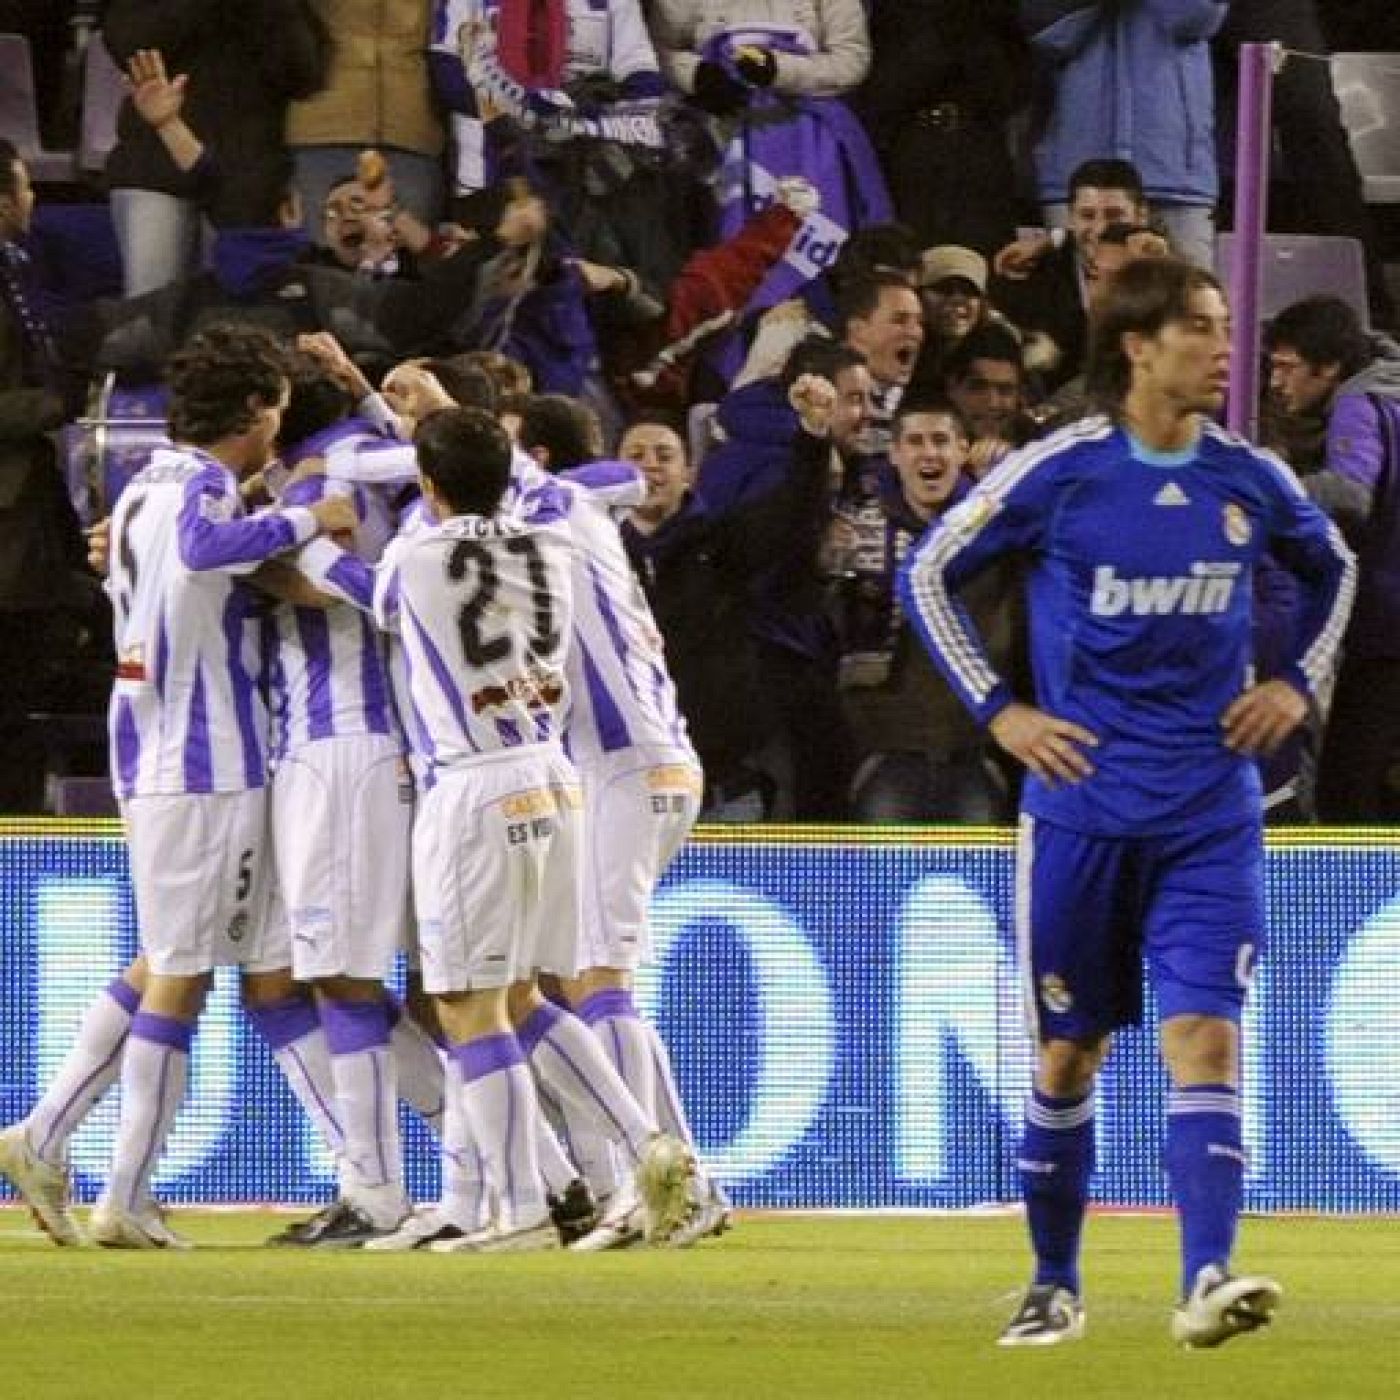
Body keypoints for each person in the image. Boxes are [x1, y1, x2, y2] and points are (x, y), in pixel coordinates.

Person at [900, 257, 1356, 1346]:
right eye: (1198, 325)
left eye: (1221, 322)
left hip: (1209, 809)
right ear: (1136, 346)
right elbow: (928, 571)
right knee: (1069, 1052)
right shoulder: (1063, 471)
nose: (1221, 344)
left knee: (1205, 1035)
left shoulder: (1245, 475)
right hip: (1079, 813)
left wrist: (1294, 680)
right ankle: (1052, 1279)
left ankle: (1206, 1275)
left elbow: (1332, 564)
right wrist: (998, 710)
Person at [90, 323, 357, 1247]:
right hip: (205, 763)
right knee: (180, 976)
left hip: (157, 747)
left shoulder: (140, 490)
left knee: (252, 971)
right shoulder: (200, 491)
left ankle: (361, 1176)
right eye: (276, 406)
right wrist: (305, 519)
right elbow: (207, 553)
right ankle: (124, 1192)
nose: (281, 423)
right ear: (253, 411)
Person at [1265, 295, 1400, 820]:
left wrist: (1274, 490)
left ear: (1331, 367)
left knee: (1346, 793)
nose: (1277, 382)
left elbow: (1350, 492)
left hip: (1385, 628)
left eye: (1287, 368)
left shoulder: (1357, 404)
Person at [102, 0, 330, 295]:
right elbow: (130, 44)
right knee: (151, 312)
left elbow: (305, 75)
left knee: (239, 320)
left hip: (249, 185)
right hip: (154, 169)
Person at [0, 140, 93, 813]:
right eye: (26, 188)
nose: (34, 201)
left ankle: (20, 841)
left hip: (25, 523)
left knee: (20, 705)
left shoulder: (17, 272)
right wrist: (54, 403)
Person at [1017, 1, 1225, 269]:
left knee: (1186, 303)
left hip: (1175, 177)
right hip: (1075, 173)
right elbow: (1044, 32)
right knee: (1088, 306)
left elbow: (1200, 15)